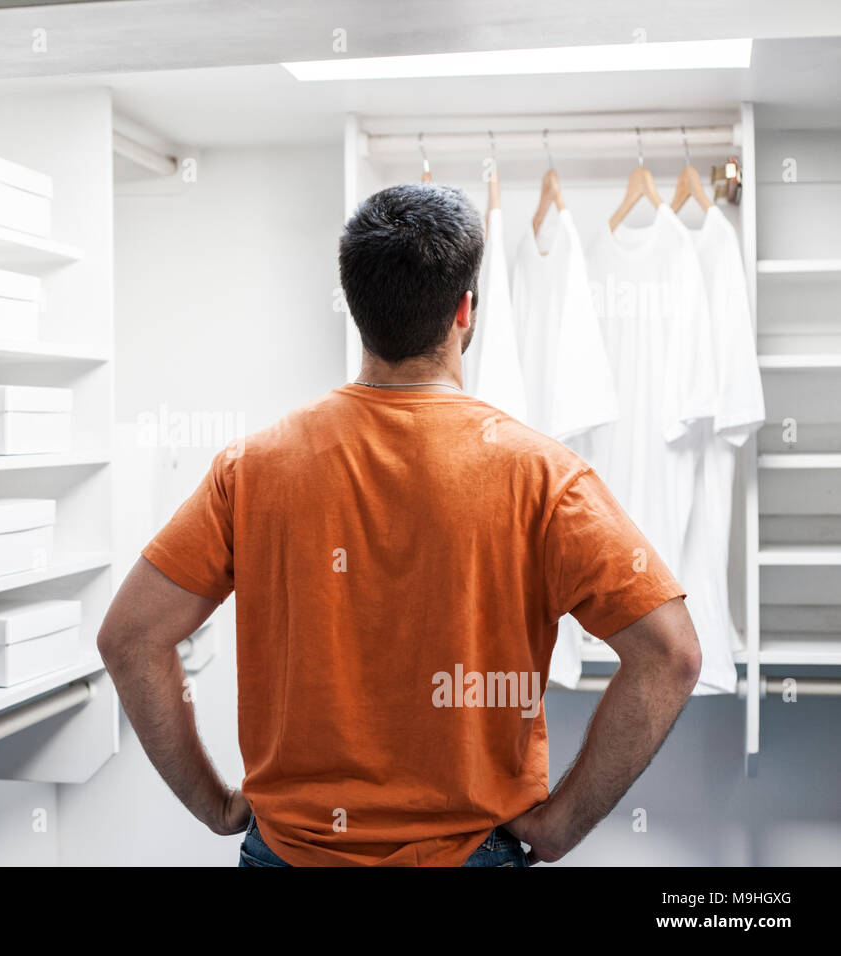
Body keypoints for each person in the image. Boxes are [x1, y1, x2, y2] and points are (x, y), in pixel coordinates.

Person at [98, 183, 702, 867]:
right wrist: (560, 826)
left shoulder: (252, 468)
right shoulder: (543, 476)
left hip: (289, 853)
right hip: (470, 854)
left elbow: (129, 638)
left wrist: (214, 806)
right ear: (465, 311)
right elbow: (671, 655)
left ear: (356, 309)